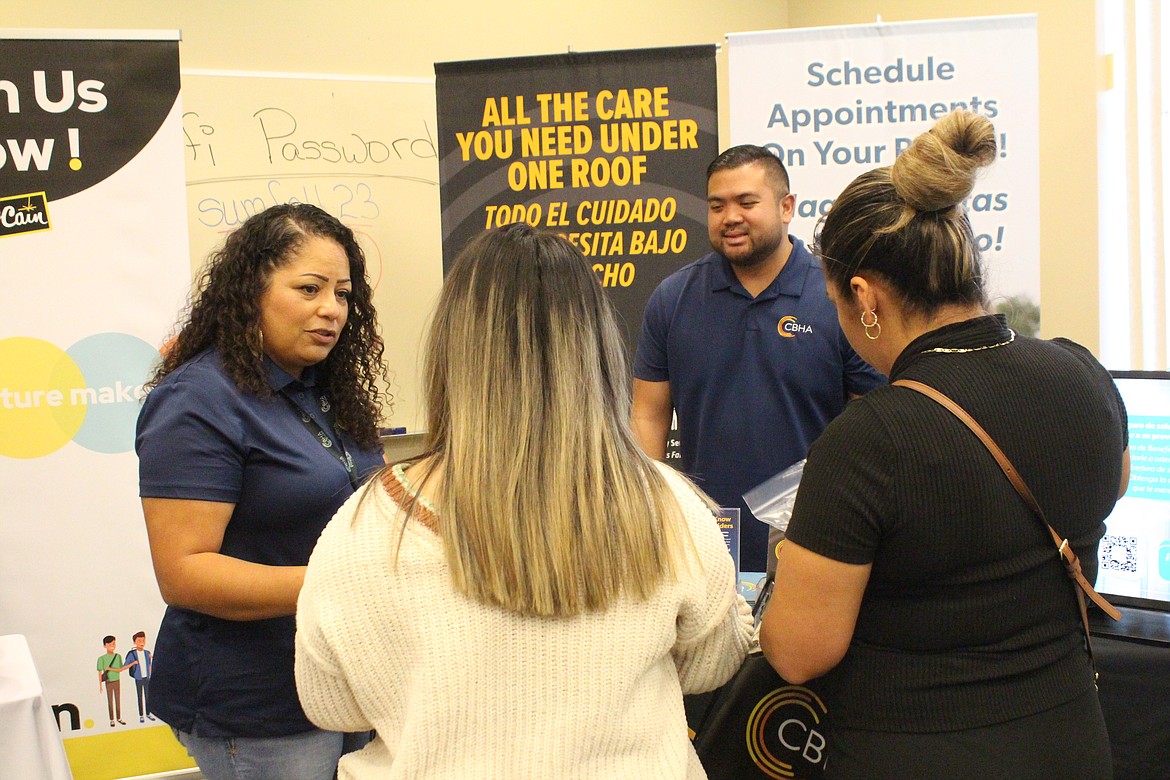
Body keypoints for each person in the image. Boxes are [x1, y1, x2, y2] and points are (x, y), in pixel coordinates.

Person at [295, 223, 754, 779]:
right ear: (598, 349)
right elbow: (711, 664)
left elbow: (330, 704)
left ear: (451, 349)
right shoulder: (669, 508)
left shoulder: (365, 524)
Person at [758, 110, 1129, 780]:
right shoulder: (1081, 373)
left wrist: (793, 556)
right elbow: (1113, 481)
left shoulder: (870, 442)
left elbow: (797, 652)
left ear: (865, 296)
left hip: (915, 752)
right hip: (1071, 742)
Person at [136, 203, 390, 780]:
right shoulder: (198, 401)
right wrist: (355, 582)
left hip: (340, 683)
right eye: (309, 289)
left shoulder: (321, 391)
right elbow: (185, 572)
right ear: (251, 290)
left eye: (344, 295)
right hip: (257, 704)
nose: (331, 310)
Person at [632, 145, 883, 575]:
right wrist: (648, 519)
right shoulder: (673, 299)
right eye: (717, 205)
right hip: (705, 543)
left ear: (787, 207)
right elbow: (649, 417)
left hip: (815, 540)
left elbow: (875, 417)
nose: (730, 216)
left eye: (746, 202)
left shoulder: (836, 296)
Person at [96, 635, 128, 727]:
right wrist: (100, 685)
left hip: (117, 680)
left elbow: (120, 669)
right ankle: (111, 719)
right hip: (108, 681)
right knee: (110, 700)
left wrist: (111, 668)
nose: (112, 645)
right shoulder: (101, 658)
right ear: (105, 646)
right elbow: (100, 672)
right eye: (109, 644)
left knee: (118, 700)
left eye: (113, 643)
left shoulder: (118, 656)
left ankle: (119, 718)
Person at [123, 630, 154, 724]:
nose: (142, 643)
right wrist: (133, 663)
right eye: (139, 641)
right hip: (138, 678)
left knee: (148, 696)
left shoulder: (147, 653)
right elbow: (125, 666)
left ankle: (148, 713)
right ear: (134, 642)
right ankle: (141, 715)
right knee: (140, 696)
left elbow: (150, 665)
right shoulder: (132, 654)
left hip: (147, 678)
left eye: (143, 640)